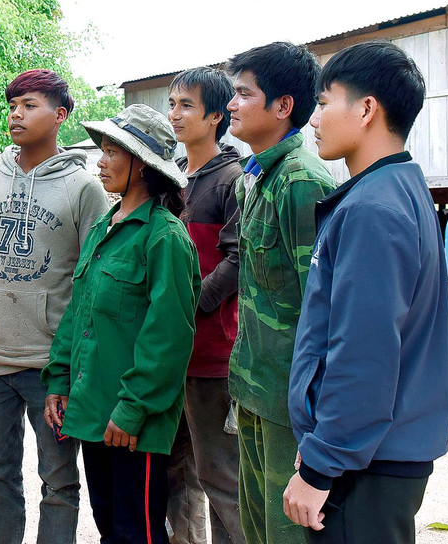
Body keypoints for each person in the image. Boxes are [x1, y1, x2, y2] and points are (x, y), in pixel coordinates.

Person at [283, 41, 448, 543]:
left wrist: (320, 465)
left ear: (366, 109)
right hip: (372, 450)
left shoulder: (372, 209)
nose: (314, 119)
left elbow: (363, 354)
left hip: (368, 461)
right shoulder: (396, 187)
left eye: (325, 101)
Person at [0, 69, 109, 544]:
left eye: (30, 104)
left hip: (50, 369)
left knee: (58, 483)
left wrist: (74, 364)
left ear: (60, 115)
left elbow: (89, 286)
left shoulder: (84, 189)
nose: (16, 113)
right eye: (13, 104)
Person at [43, 104, 201, 544]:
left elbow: (168, 338)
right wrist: (59, 380)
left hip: (132, 421)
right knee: (111, 526)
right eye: (103, 150)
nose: (101, 160)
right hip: (93, 409)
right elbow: (79, 313)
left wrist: (133, 409)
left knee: (139, 533)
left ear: (143, 165)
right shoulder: (102, 227)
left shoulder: (165, 236)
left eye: (114, 152)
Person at [224, 42, 336, 544]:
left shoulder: (301, 181)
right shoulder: (260, 175)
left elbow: (324, 306)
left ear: (282, 106)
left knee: (283, 534)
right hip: (253, 388)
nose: (231, 104)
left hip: (288, 403)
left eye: (243, 94)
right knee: (257, 531)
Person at [166, 67, 246, 544]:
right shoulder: (174, 178)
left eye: (186, 106)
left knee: (220, 476)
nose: (175, 115)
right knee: (177, 472)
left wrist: (188, 307)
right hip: (171, 353)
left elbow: (237, 262)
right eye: (172, 104)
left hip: (212, 353)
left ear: (216, 116)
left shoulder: (231, 180)